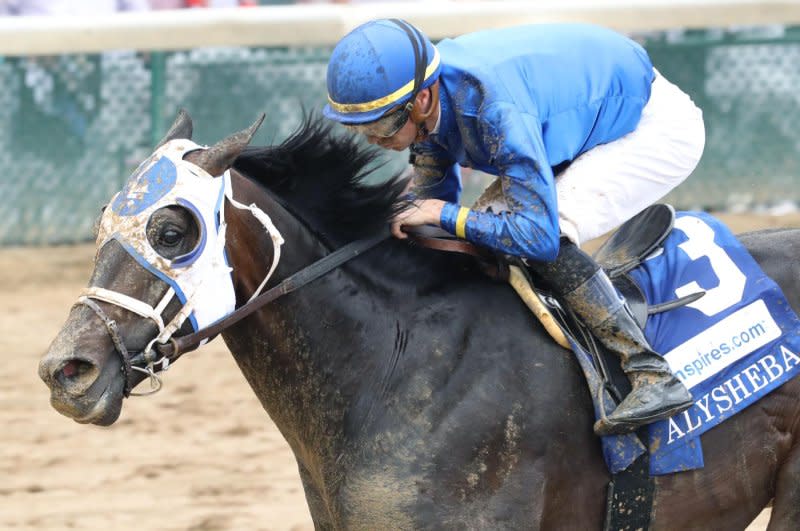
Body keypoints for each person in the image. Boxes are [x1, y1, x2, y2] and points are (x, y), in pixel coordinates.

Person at [323, 19, 705, 436]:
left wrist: (442, 215)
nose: (374, 140)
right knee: (474, 227)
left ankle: (650, 371)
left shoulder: (491, 110)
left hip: (651, 128)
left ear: (424, 100)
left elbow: (535, 236)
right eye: (360, 129)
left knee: (548, 230)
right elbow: (430, 203)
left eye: (380, 126)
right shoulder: (428, 100)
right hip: (580, 112)